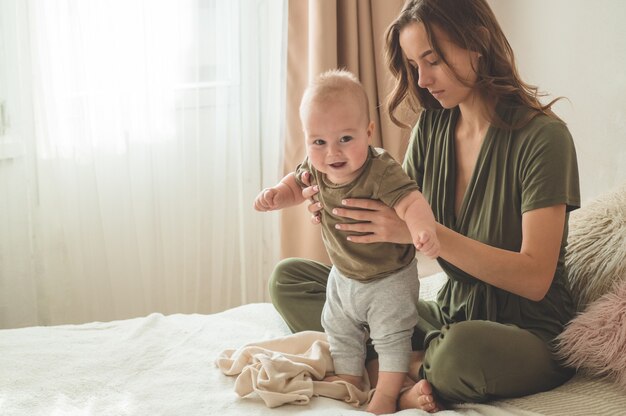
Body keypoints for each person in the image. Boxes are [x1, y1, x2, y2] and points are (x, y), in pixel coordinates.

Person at [268, 0, 580, 413]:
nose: (422, 79)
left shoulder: (544, 138)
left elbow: (535, 278)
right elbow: (391, 218)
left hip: (524, 332)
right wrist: (337, 207)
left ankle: (393, 367)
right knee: (291, 280)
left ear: (478, 42)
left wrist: (412, 232)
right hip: (449, 311)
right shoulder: (433, 127)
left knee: (458, 355)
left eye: (432, 60)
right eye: (414, 64)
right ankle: (401, 370)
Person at [254, 69, 440, 414]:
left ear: (368, 132)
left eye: (345, 139)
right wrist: (278, 195)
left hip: (388, 279)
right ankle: (351, 379)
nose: (331, 153)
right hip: (344, 276)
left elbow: (411, 201)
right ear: (307, 139)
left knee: (391, 337)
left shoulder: (380, 170)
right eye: (318, 141)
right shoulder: (317, 167)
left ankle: (387, 395)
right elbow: (296, 183)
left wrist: (420, 230)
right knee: (338, 329)